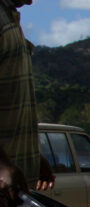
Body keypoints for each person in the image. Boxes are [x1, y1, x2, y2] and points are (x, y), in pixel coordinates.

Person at [0, 0, 54, 191]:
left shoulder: (9, 17)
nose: (32, 2)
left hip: (13, 189)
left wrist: (33, 156)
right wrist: (3, 166)